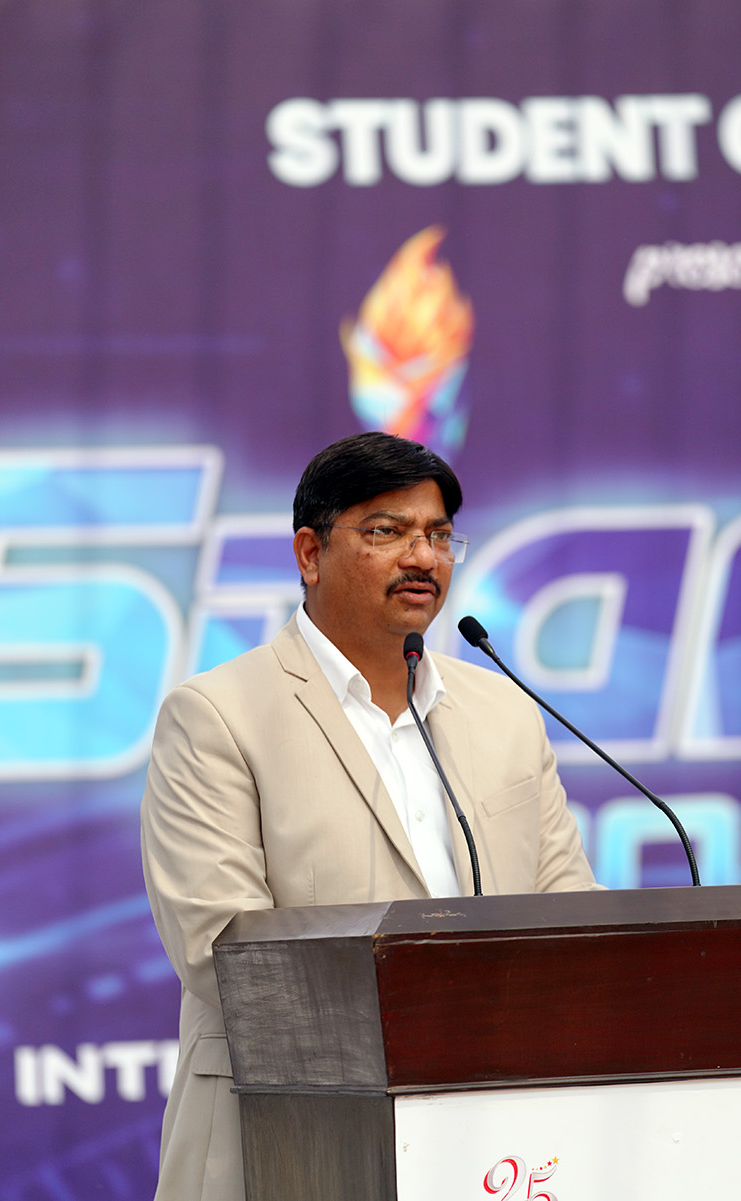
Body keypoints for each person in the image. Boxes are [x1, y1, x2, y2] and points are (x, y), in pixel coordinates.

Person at [140, 432, 598, 1201]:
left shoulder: (505, 712)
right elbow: (222, 948)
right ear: (310, 553)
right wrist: (441, 1016)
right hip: (292, 1134)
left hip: (491, 1142)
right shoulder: (218, 716)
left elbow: (569, 914)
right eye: (388, 531)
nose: (423, 557)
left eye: (440, 535)